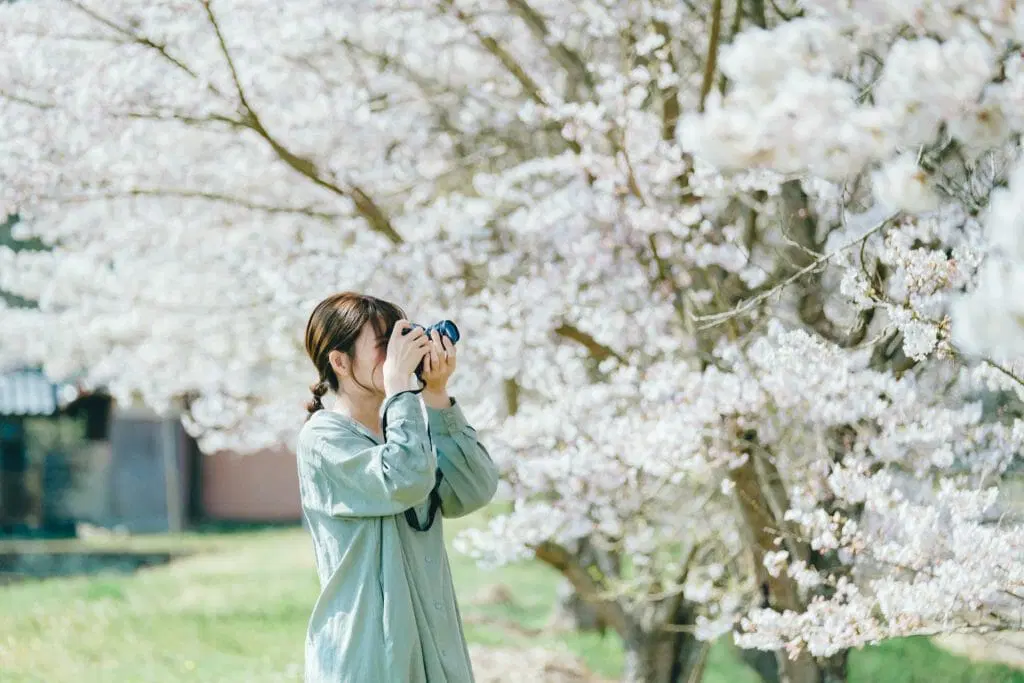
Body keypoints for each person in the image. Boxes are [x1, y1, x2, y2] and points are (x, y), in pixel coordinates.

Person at [297, 291, 500, 683]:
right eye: (384, 347)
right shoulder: (323, 439)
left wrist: (437, 396)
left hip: (435, 650)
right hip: (368, 657)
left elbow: (474, 489)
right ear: (339, 362)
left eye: (401, 342)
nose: (398, 357)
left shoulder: (403, 428)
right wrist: (401, 391)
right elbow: (403, 480)